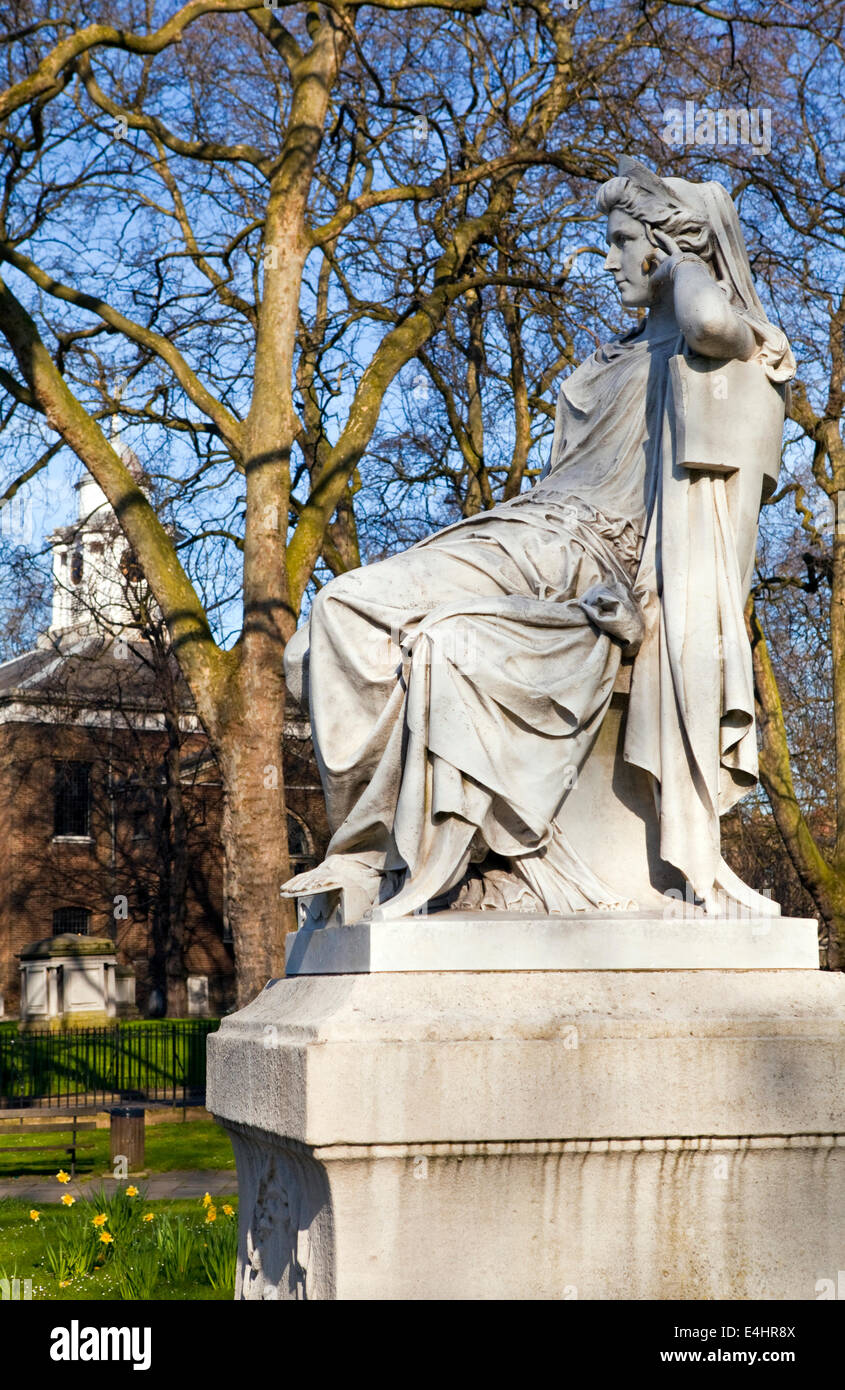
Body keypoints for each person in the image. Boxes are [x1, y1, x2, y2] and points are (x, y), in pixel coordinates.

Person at [282, 157, 795, 926]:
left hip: (581, 553)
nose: (609, 259)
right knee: (339, 612)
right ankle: (368, 854)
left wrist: (679, 265)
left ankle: (375, 858)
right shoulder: (602, 366)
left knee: (365, 613)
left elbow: (712, 323)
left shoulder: (713, 351)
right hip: (525, 530)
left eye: (625, 241)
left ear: (663, 249)